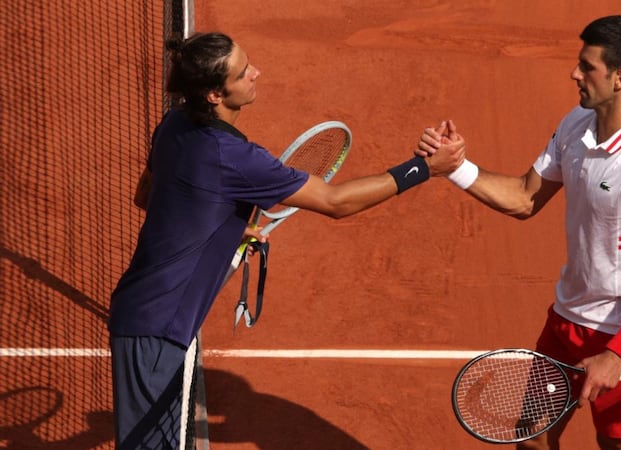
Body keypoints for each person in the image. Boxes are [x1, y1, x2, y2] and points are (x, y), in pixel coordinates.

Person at [108, 31, 464, 449]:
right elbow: (335, 202)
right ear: (213, 94)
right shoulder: (236, 159)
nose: (256, 73)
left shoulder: (173, 123)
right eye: (243, 73)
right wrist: (423, 169)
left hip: (146, 314)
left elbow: (148, 195)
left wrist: (219, 223)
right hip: (156, 332)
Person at [419, 15, 621, 450]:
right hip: (568, 316)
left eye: (587, 66)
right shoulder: (577, 125)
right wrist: (455, 168)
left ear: (620, 78)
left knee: (615, 446)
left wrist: (617, 354)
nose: (574, 73)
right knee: (533, 441)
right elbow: (525, 197)